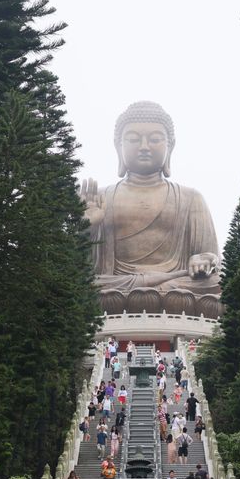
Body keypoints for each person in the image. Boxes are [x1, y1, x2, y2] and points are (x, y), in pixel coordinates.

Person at [80, 101, 222, 317]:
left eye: (155, 139)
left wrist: (203, 259)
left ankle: (152, 295)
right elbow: (77, 267)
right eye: (134, 139)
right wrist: (85, 227)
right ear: (118, 146)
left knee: (221, 284)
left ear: (170, 146)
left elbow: (211, 257)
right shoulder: (101, 198)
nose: (144, 146)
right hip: (115, 285)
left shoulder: (191, 198)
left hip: (176, 284)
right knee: (78, 287)